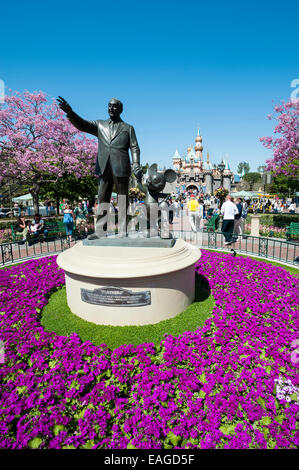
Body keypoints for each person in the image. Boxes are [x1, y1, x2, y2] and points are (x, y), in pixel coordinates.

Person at [57, 96, 142, 238]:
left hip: (121, 167)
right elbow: (82, 124)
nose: (111, 108)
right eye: (109, 105)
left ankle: (122, 230)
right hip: (103, 167)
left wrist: (136, 163)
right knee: (102, 198)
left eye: (115, 106)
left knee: (122, 199)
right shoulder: (100, 125)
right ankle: (100, 232)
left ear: (120, 109)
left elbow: (134, 147)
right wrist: (70, 113)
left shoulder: (128, 128)